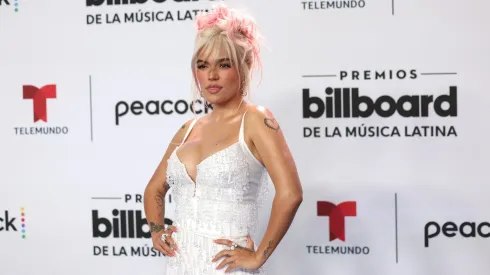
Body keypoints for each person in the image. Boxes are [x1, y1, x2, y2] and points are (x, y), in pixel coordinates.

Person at [143, 5, 303, 274]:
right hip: (180, 264)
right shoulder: (188, 128)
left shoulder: (255, 120)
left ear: (246, 65)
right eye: (203, 66)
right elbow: (154, 189)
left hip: (226, 266)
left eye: (224, 64)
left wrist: (257, 257)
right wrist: (157, 231)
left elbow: (291, 194)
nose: (212, 76)